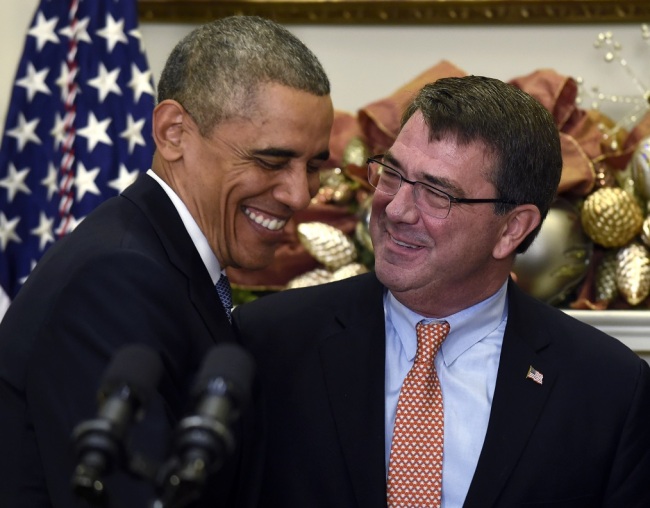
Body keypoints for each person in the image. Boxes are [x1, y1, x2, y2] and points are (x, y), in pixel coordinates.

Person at [233, 75, 650, 507]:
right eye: (392, 174)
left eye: (436, 193)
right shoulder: (270, 343)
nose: (395, 209)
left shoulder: (607, 388)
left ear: (512, 229)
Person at [0, 15, 333, 508]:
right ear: (174, 132)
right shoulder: (117, 279)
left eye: (315, 166)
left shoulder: (156, 253)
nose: (300, 193)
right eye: (271, 161)